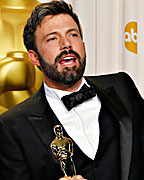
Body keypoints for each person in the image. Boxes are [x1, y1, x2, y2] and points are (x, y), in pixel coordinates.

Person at [0, 0, 144, 180]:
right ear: (34, 57)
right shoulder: (12, 126)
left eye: (73, 35)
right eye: (52, 38)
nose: (66, 44)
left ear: (83, 45)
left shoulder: (122, 86)